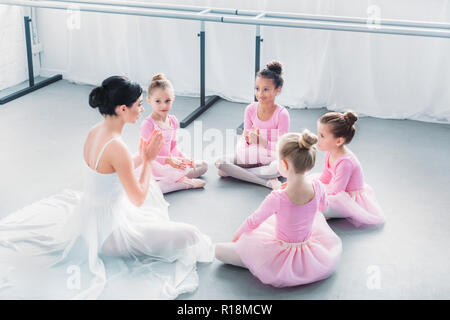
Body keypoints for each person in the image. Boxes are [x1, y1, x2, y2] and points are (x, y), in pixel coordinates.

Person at [0, 76, 214, 299]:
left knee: (152, 196)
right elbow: (137, 198)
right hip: (110, 233)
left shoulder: (96, 131)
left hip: (87, 219)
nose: (142, 110)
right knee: (192, 235)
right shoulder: (117, 147)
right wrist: (149, 160)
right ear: (123, 109)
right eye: (139, 104)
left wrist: (141, 156)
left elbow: (112, 171)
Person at [215, 130, 342, 287]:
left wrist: (237, 238)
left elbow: (253, 221)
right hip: (309, 250)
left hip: (280, 253)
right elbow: (323, 207)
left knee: (219, 251)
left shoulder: (278, 197)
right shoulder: (318, 186)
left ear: (285, 164)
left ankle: (252, 259)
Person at [215, 61, 290, 189]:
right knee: (220, 163)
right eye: (257, 89)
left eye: (266, 89)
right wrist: (250, 140)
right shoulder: (250, 109)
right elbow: (245, 138)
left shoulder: (282, 114)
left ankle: (237, 173)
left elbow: (283, 147)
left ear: (277, 90)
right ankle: (266, 181)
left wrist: (263, 142)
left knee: (276, 168)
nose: (260, 94)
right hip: (250, 154)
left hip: (271, 157)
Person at [140, 73, 208, 193]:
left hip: (170, 162)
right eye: (158, 101)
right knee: (152, 189)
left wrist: (184, 159)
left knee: (203, 165)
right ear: (149, 100)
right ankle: (184, 183)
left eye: (167, 101)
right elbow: (146, 155)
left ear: (173, 99)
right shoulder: (148, 124)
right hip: (154, 164)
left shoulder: (173, 121)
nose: (163, 105)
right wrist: (168, 160)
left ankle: (176, 179)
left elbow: (173, 147)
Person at [315, 111, 385, 227]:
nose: (318, 139)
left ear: (339, 141)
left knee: (315, 206)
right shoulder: (329, 152)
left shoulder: (345, 162)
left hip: (347, 198)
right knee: (310, 191)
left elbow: (337, 192)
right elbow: (325, 177)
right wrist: (312, 189)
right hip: (336, 189)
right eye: (318, 134)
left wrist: (315, 196)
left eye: (322, 136)